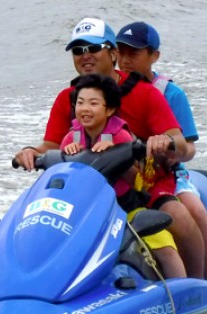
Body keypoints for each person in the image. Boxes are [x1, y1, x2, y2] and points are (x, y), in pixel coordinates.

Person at [14, 17, 205, 279]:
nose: (86, 56)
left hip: (142, 185)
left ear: (113, 52)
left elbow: (180, 141)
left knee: (178, 216)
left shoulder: (144, 92)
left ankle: (203, 288)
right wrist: (30, 152)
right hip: (87, 191)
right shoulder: (68, 98)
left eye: (94, 48)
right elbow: (51, 144)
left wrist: (165, 142)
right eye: (78, 51)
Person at [116, 21, 207, 283]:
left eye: (134, 54)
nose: (125, 60)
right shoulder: (108, 91)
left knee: (196, 213)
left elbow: (189, 148)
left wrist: (172, 150)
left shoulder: (170, 94)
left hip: (170, 173)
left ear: (154, 56)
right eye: (121, 52)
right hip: (128, 174)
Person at [60, 73, 185, 278]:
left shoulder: (121, 136)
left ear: (109, 109)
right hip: (85, 213)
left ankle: (181, 294)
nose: (85, 109)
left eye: (93, 103)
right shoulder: (70, 138)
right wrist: (67, 155)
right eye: (80, 102)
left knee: (165, 248)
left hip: (124, 208)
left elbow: (140, 182)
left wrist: (118, 154)